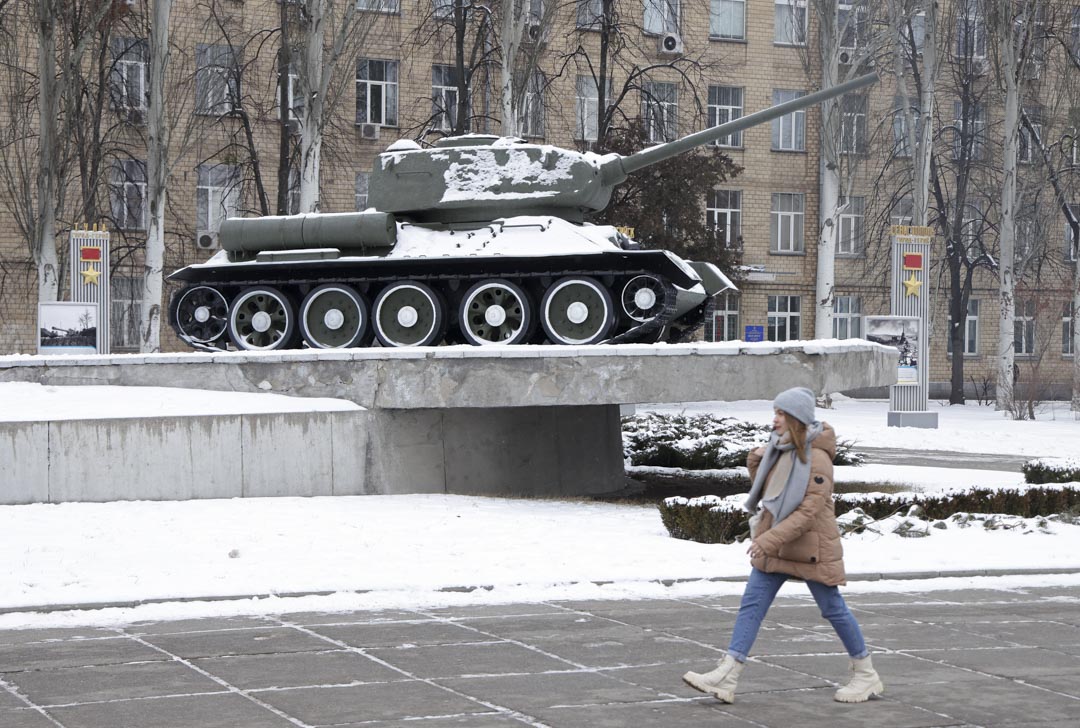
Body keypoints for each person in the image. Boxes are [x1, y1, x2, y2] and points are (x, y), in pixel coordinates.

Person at [682, 386, 883, 704]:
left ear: (796, 419)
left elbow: (807, 513)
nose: (774, 419)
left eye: (780, 414)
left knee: (832, 609)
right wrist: (758, 457)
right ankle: (727, 675)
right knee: (752, 606)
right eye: (774, 412)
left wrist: (766, 540)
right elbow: (766, 490)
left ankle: (866, 675)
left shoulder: (816, 459)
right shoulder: (783, 449)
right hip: (777, 543)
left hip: (811, 548)